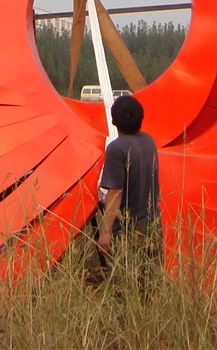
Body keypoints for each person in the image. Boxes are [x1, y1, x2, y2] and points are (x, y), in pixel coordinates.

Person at [97, 95, 162, 290]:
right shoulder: (149, 141)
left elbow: (115, 192)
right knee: (149, 286)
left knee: (125, 287)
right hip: (152, 223)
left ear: (113, 121)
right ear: (140, 118)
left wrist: (105, 232)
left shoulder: (116, 149)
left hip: (128, 230)